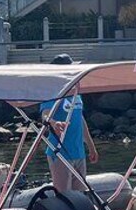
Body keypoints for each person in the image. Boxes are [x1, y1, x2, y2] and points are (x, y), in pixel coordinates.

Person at [40, 53, 99, 192]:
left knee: (80, 195)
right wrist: (54, 123)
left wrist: (91, 146)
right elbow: (45, 114)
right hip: (60, 151)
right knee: (63, 195)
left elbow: (80, 119)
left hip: (78, 151)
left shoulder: (76, 92)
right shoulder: (53, 92)